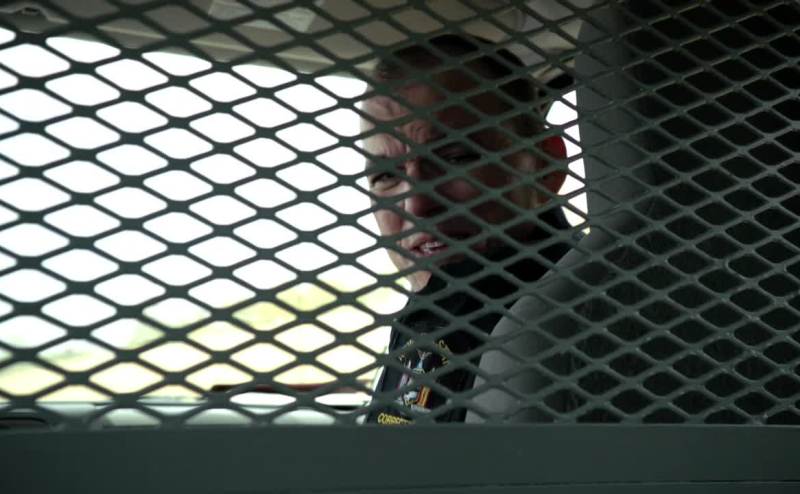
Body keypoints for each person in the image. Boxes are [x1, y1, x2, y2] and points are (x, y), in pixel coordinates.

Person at [359, 35, 575, 423]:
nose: (416, 205)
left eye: (456, 157)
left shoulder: (555, 328)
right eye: (386, 176)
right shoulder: (437, 312)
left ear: (546, 165)